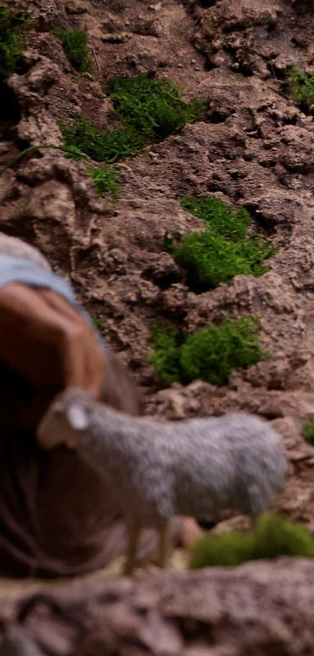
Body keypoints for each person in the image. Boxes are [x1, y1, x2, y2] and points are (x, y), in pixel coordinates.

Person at [0, 234, 196, 576]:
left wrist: (78, 410)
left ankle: (176, 537)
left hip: (84, 389)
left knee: (67, 542)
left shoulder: (8, 299)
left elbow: (72, 336)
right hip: (25, 399)